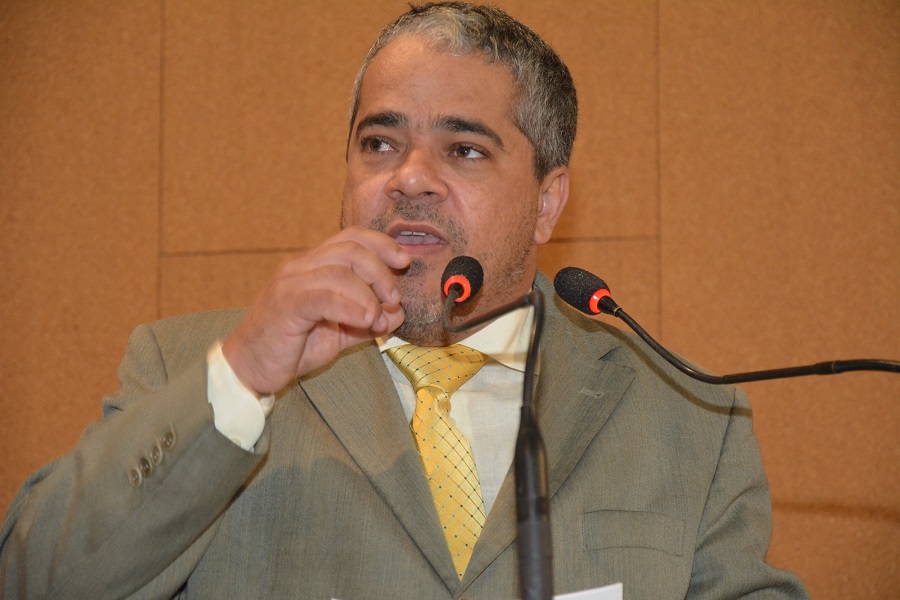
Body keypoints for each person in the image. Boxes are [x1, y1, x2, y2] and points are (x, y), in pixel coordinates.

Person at [0, 3, 808, 599]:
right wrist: (243, 376)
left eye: (464, 149)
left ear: (547, 201)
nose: (409, 177)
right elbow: (33, 582)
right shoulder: (196, 370)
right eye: (379, 142)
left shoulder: (687, 418)